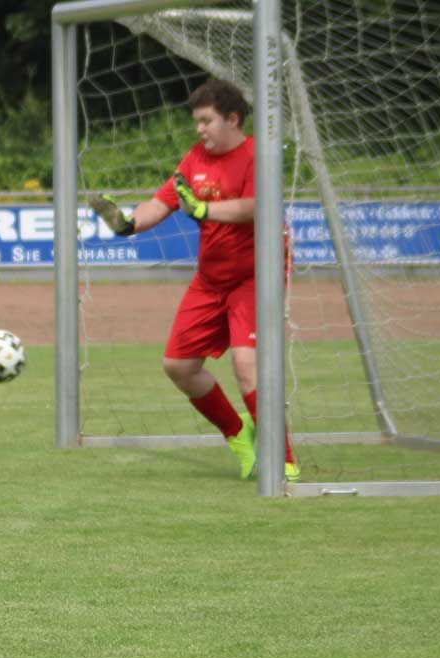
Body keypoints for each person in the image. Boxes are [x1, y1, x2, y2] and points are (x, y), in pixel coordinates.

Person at [90, 78, 299, 481]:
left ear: (232, 119)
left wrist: (204, 210)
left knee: (246, 363)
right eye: (197, 121)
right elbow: (163, 201)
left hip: (256, 276)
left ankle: (283, 457)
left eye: (206, 121)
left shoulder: (257, 155)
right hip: (211, 278)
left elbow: (258, 206)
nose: (199, 129)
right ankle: (238, 435)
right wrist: (127, 223)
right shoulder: (195, 158)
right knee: (178, 365)